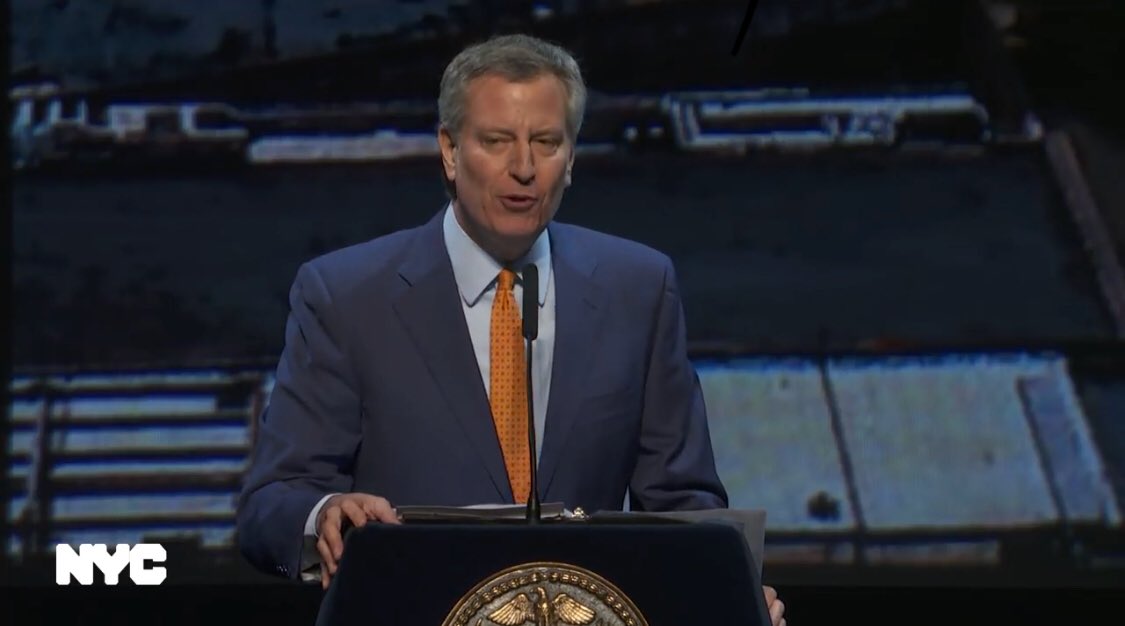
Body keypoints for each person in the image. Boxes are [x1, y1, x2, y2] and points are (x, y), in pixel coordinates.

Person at [237, 33, 785, 626]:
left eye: (545, 143)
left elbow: (683, 506)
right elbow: (272, 504)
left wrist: (726, 592)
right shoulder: (345, 296)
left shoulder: (639, 288)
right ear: (450, 151)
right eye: (496, 141)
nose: (523, 168)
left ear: (570, 159)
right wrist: (324, 515)